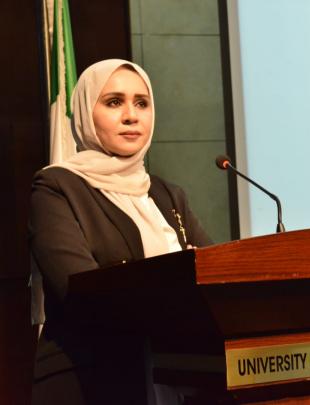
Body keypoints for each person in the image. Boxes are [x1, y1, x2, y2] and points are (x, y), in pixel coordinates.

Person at [29, 59, 212, 404]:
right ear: (86, 112)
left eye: (142, 103)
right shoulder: (57, 188)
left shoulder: (168, 194)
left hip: (179, 375)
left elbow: (215, 277)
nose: (131, 115)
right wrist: (176, 285)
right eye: (114, 102)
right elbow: (79, 291)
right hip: (91, 382)